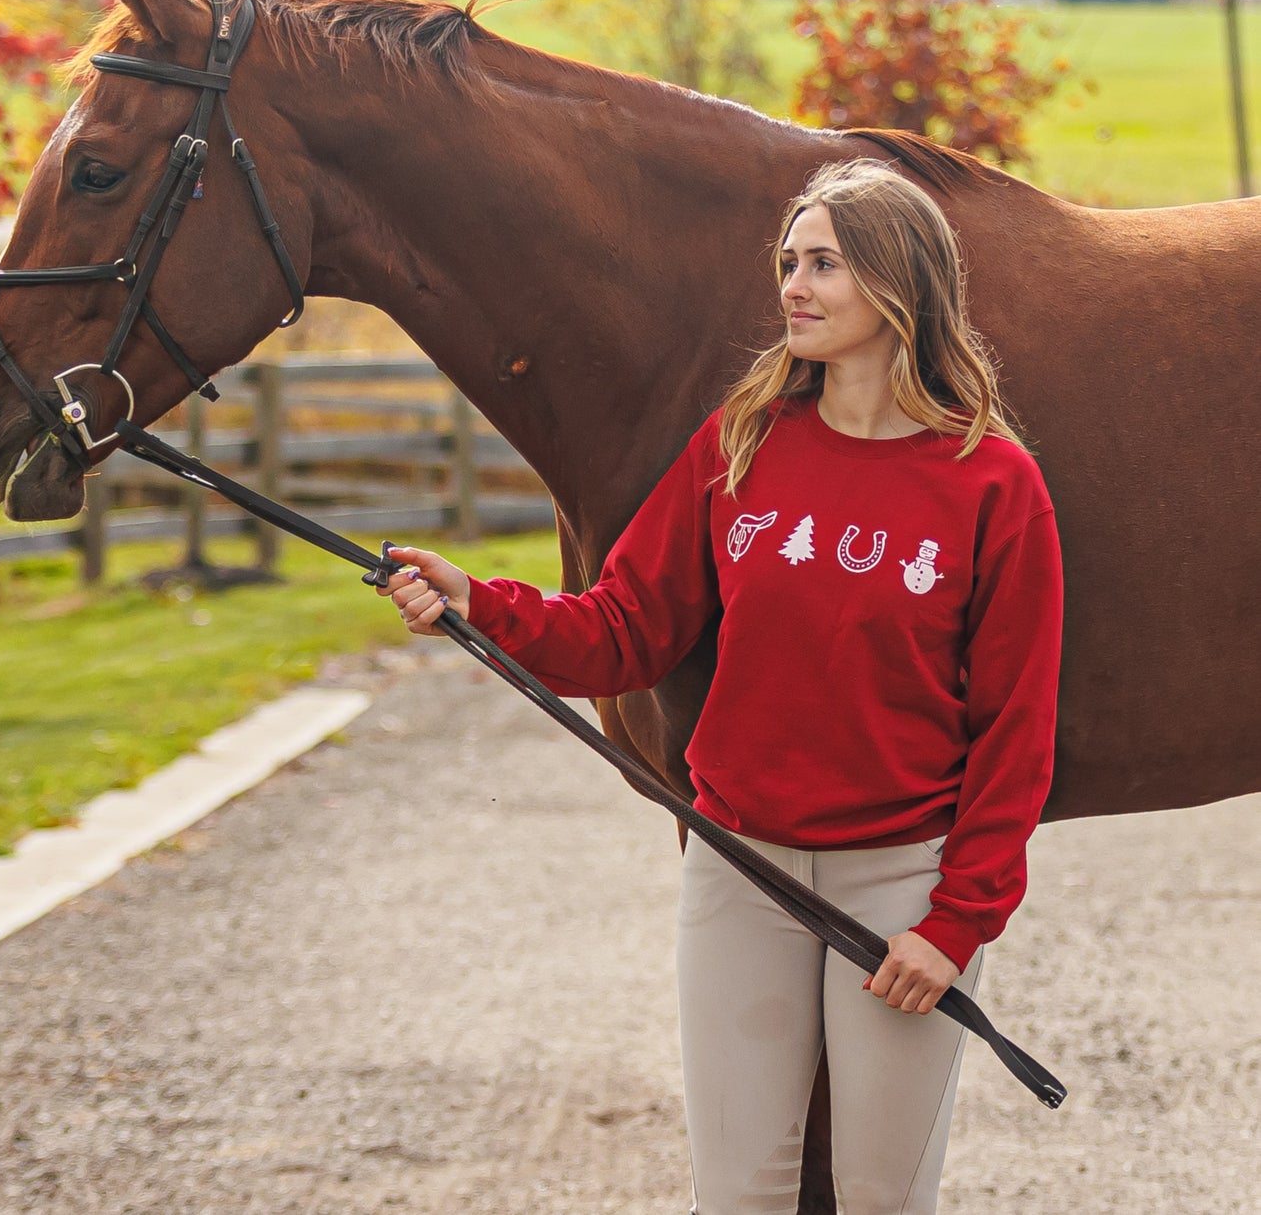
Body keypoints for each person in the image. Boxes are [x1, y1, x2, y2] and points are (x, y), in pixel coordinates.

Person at [374, 158, 1063, 1215]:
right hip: (739, 871)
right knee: (739, 1194)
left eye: (822, 263)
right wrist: (480, 603)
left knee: (880, 1198)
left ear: (898, 282)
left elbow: (1015, 729)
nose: (792, 285)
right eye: (788, 262)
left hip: (901, 884)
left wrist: (954, 921)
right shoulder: (741, 443)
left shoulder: (992, 482)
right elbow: (620, 632)